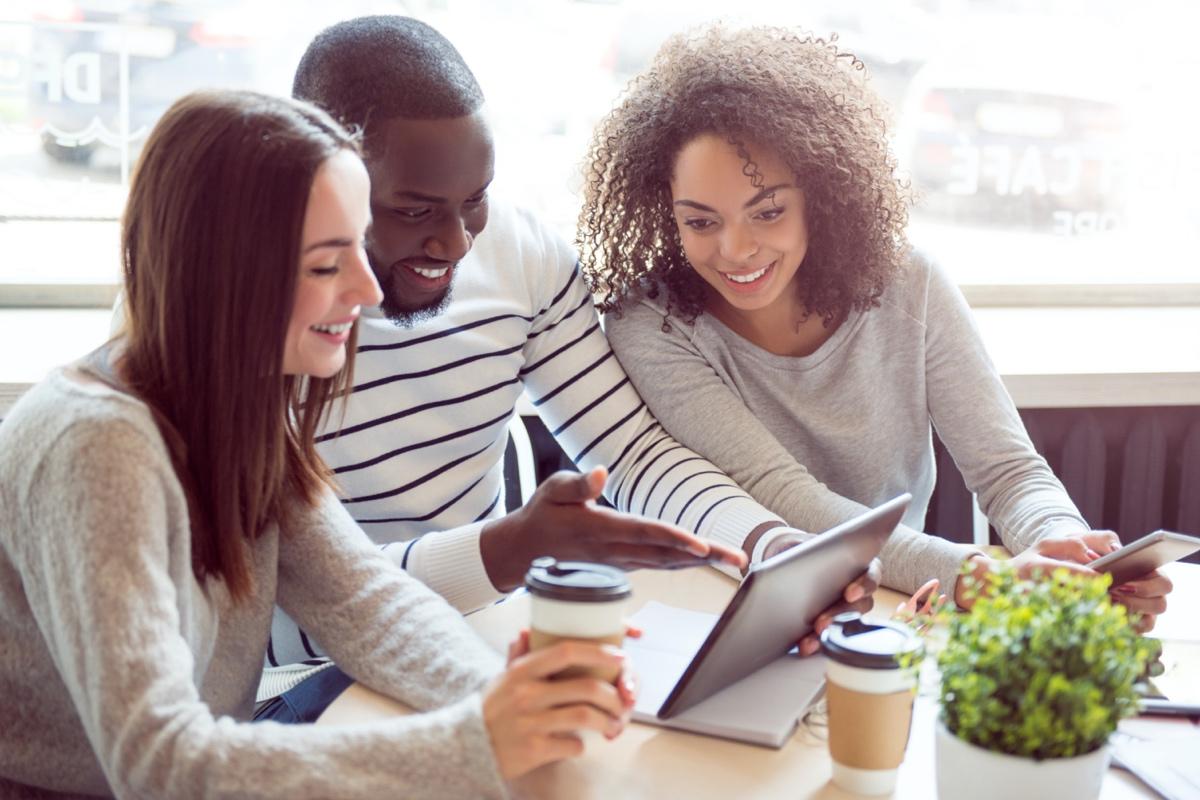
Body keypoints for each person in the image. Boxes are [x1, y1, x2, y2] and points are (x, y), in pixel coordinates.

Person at [0, 90, 639, 799]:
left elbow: (369, 603)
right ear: (226, 274)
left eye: (358, 249)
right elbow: (160, 765)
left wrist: (514, 697)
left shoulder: (233, 405)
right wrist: (480, 738)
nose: (367, 290)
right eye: (326, 265)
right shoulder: (98, 449)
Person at [262, 14, 878, 677]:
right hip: (306, 678)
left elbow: (634, 454)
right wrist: (505, 551)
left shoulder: (525, 260)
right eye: (413, 211)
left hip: (485, 649)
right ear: (324, 182)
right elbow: (281, 602)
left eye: (475, 199)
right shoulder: (229, 313)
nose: (456, 243)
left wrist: (770, 550)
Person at [577, 24, 1171, 626]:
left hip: (897, 606)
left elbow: (1008, 469)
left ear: (822, 193)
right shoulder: (651, 322)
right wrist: (979, 576)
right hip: (726, 614)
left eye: (768, 212)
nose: (736, 250)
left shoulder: (911, 284)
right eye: (701, 222)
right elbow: (782, 493)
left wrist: (1072, 552)